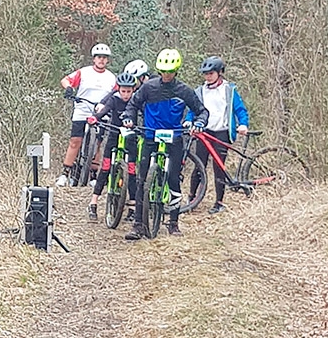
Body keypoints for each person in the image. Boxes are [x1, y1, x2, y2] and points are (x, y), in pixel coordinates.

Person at [122, 49, 207, 241]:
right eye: (163, 71)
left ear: (176, 71)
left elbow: (201, 111)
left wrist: (199, 123)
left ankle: (173, 223)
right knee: (142, 179)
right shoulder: (148, 87)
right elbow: (132, 105)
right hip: (150, 137)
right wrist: (129, 118)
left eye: (170, 72)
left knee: (173, 179)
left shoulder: (184, 90)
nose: (166, 75)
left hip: (175, 138)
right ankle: (138, 225)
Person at [86, 62, 147, 221]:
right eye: (123, 91)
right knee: (105, 168)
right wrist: (95, 118)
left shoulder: (135, 100)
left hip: (130, 137)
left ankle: (132, 207)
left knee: (132, 171)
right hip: (114, 135)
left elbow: (144, 115)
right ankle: (94, 202)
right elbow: (105, 110)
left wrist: (144, 126)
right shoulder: (114, 99)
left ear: (134, 89)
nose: (126, 94)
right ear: (118, 89)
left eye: (129, 91)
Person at [192, 56, 250, 213]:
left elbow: (240, 109)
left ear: (219, 73)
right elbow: (193, 110)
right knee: (199, 164)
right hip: (204, 132)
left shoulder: (228, 90)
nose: (208, 76)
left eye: (211, 73)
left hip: (221, 132)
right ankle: (191, 199)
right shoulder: (199, 91)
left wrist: (243, 124)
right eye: (205, 74)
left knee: (219, 167)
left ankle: (219, 202)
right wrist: (188, 121)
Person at [56, 43, 118, 186]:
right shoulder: (84, 72)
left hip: (101, 112)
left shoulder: (111, 77)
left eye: (104, 58)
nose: (101, 60)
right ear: (94, 59)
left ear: (107, 60)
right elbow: (65, 80)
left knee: (97, 143)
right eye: (99, 57)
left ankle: (93, 175)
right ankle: (65, 173)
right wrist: (69, 88)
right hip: (82, 109)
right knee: (75, 141)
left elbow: (117, 92)